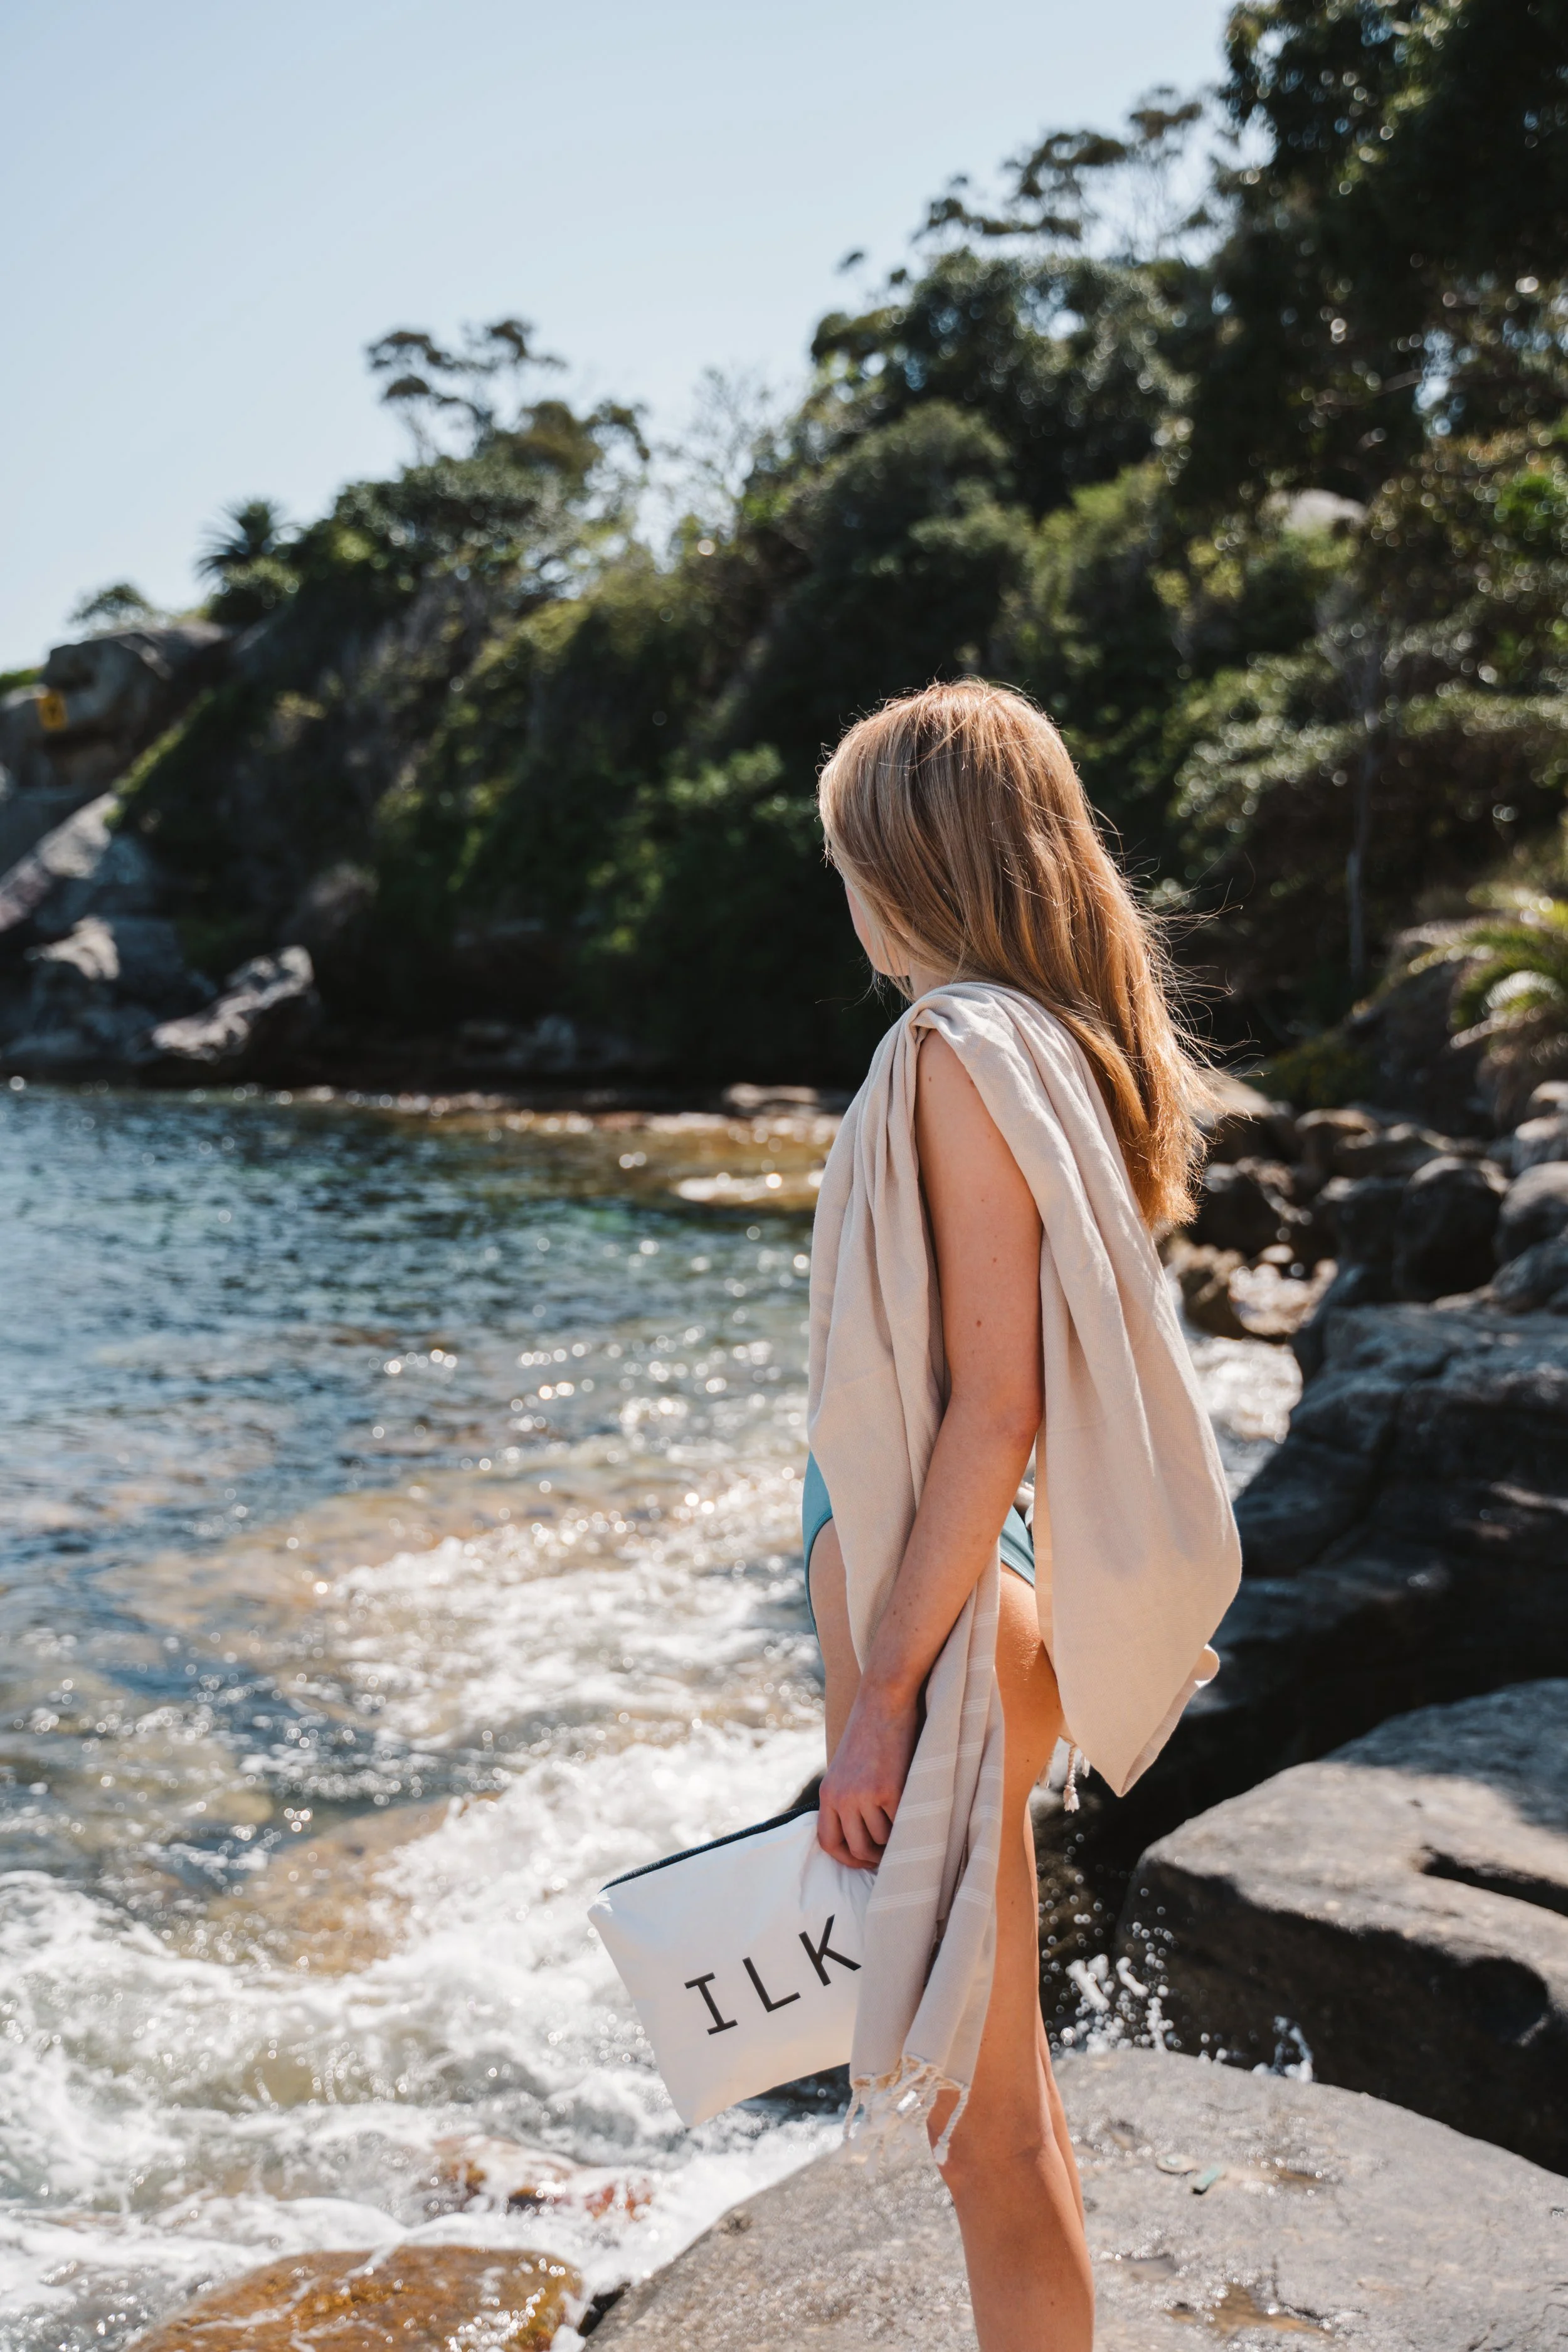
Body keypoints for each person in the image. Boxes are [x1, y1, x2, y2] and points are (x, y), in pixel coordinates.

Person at [802, 681, 1240, 2352]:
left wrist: (879, 1697)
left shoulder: (950, 1052)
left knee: (978, 2129)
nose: (843, 895)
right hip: (978, 1601)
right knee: (1003, 2096)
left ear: (904, 862)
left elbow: (992, 1406)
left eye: (849, 857)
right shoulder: (1050, 1044)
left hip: (952, 1614)